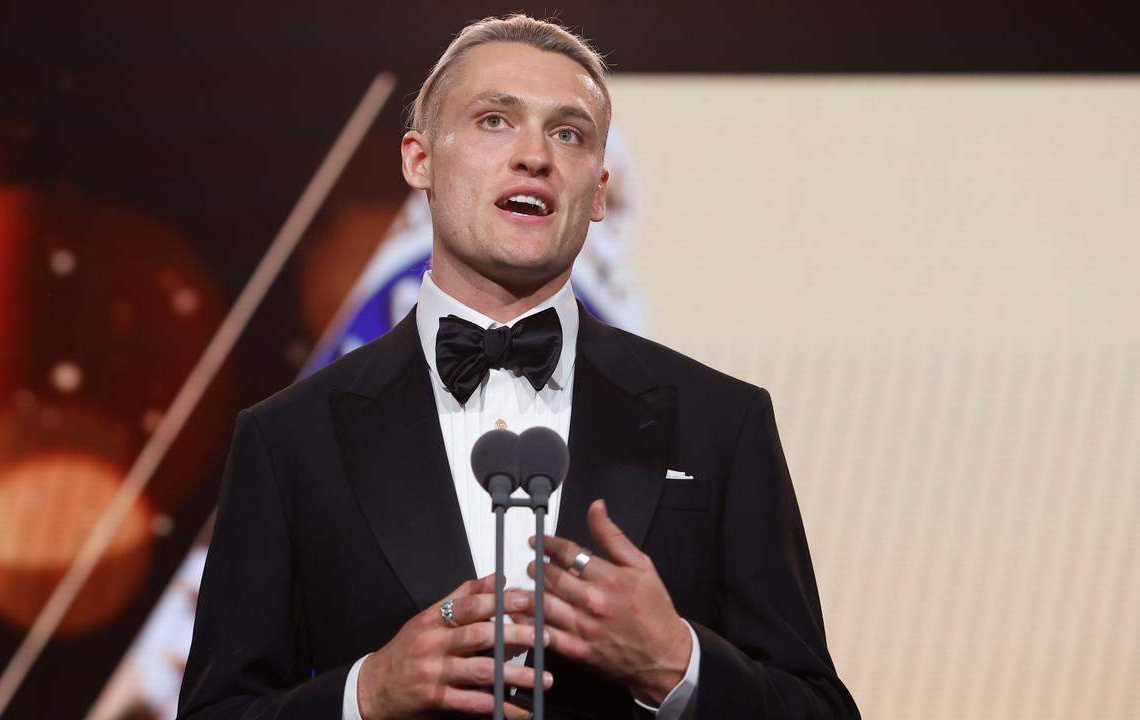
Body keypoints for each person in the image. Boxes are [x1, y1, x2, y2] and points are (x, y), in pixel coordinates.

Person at [178, 14, 859, 720]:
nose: (533, 155)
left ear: (596, 192)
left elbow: (818, 709)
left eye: (568, 134)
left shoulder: (720, 423)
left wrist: (675, 665)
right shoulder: (289, 438)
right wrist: (366, 694)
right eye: (494, 120)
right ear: (418, 161)